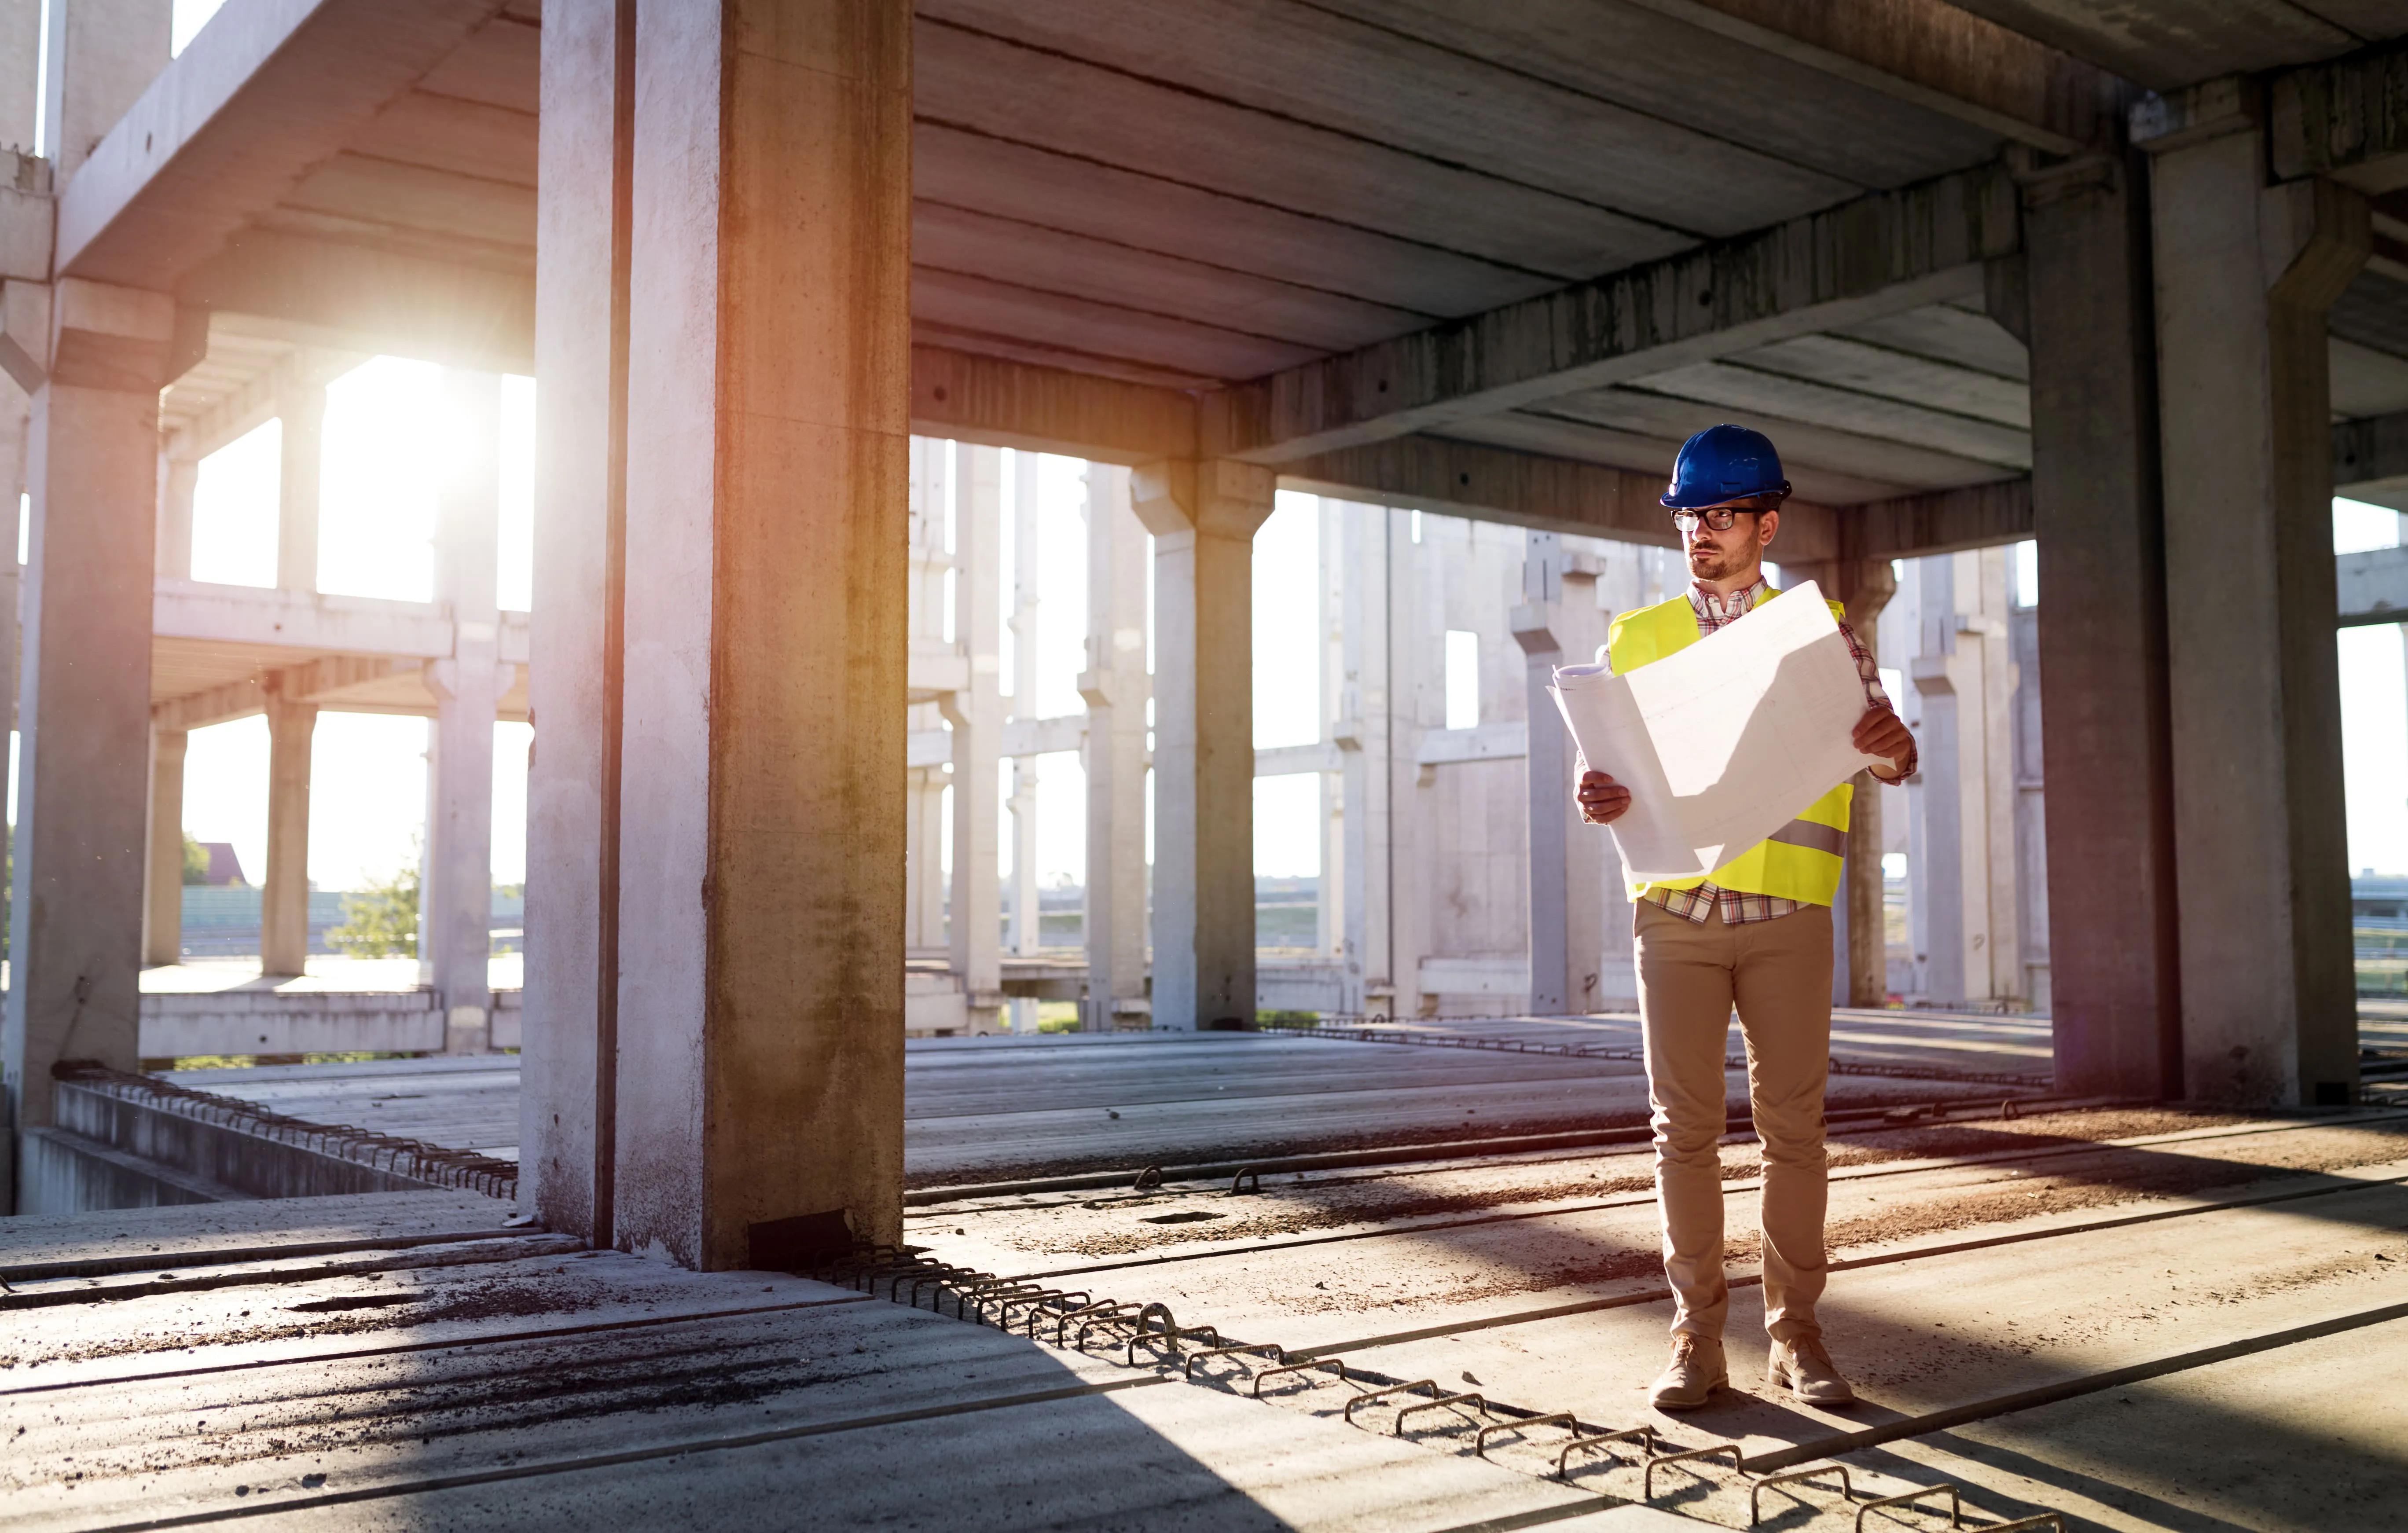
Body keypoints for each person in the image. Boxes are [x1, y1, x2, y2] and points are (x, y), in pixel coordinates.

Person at [1576, 423, 1915, 1412]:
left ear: (1767, 526)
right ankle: (1695, 1337)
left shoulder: (1822, 634)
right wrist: (1593, 793)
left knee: (1793, 1134)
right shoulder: (1635, 640)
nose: (1702, 532)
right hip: (1675, 914)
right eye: (1690, 515)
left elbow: (1887, 755)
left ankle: (1796, 1336)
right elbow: (1599, 766)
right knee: (1681, 1134)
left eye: (1723, 515)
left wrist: (1895, 747)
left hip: (1786, 916)